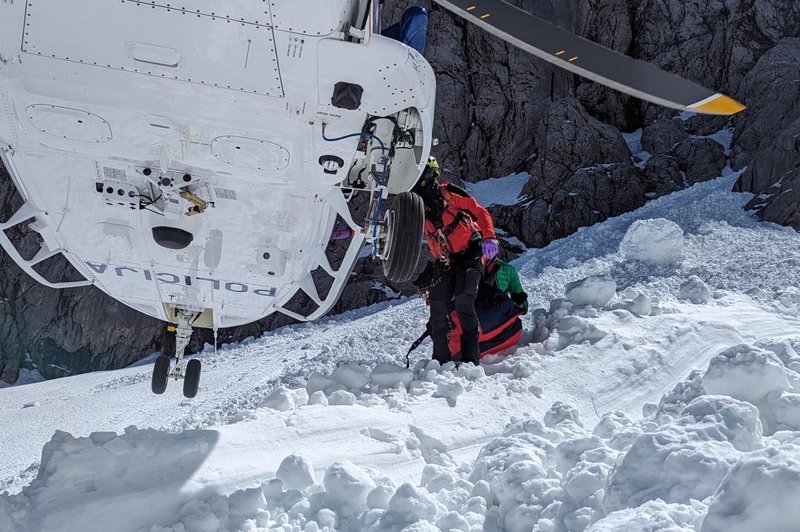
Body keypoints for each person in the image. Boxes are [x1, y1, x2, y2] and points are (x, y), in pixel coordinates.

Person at [412, 156, 499, 366]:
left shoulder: (449, 193)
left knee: (463, 301)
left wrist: (489, 236)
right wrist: (428, 272)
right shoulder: (418, 211)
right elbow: (435, 245)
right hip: (448, 260)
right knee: (437, 308)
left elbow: (479, 211)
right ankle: (439, 364)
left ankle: (470, 364)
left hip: (472, 251)